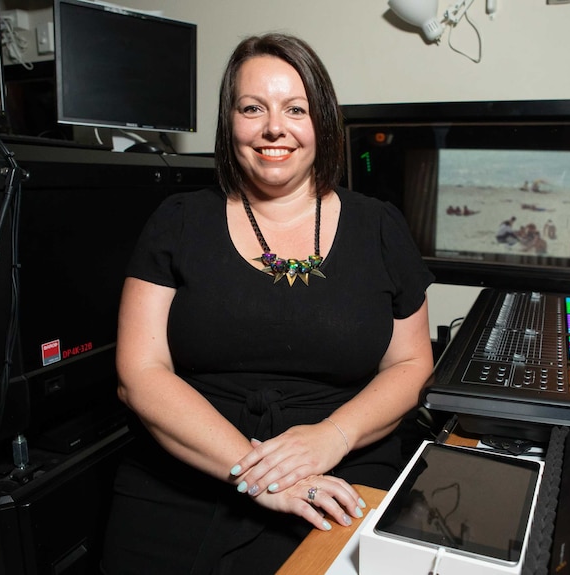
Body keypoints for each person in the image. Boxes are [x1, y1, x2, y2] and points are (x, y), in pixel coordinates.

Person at [100, 33, 435, 574]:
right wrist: (257, 473)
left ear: (322, 124)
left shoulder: (379, 226)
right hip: (187, 469)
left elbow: (412, 363)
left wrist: (331, 437)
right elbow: (139, 372)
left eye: (295, 109)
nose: (273, 128)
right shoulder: (177, 220)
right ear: (228, 122)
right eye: (252, 108)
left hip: (339, 469)